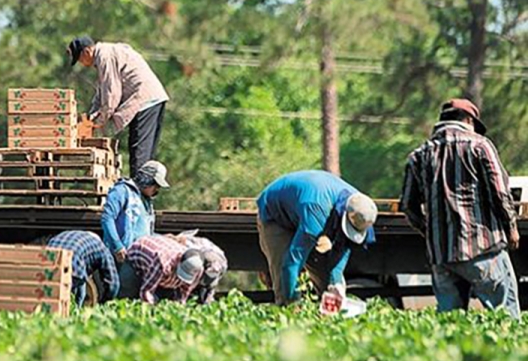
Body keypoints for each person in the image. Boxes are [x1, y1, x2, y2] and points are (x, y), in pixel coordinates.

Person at [400, 99, 521, 319]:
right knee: (506, 318)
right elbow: (500, 192)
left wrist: (430, 232)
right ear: (468, 120)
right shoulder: (480, 145)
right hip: (484, 249)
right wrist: (511, 227)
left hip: (441, 256)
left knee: (450, 325)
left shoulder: (418, 155)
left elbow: (408, 206)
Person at [256, 170, 378, 305]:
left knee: (326, 278)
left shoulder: (361, 210)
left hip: (304, 207)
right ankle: (288, 312)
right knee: (282, 272)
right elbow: (293, 261)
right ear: (343, 216)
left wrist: (335, 285)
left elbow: (341, 252)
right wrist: (292, 300)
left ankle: (327, 315)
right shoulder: (317, 211)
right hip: (275, 213)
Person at [67, 36, 170, 177]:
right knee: (146, 159)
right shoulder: (107, 53)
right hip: (154, 98)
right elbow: (101, 93)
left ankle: (137, 196)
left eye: (80, 60)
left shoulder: (104, 57)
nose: (82, 64)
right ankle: (144, 195)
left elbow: (111, 96)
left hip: (145, 100)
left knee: (139, 157)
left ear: (86, 52)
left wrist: (97, 124)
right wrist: (90, 117)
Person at [101, 160, 168, 280]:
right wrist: (117, 246)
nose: (157, 190)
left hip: (139, 257)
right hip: (122, 256)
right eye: (156, 185)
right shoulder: (122, 191)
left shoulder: (146, 201)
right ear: (147, 179)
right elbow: (107, 218)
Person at [122, 235, 204, 304]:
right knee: (129, 292)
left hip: (159, 270)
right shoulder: (163, 262)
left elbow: (184, 293)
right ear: (179, 260)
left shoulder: (197, 268)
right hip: (136, 258)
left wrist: (179, 307)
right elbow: (146, 291)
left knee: (164, 296)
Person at [47, 230, 119, 307]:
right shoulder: (101, 248)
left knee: (50, 295)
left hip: (49, 261)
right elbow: (113, 284)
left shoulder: (71, 235)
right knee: (70, 299)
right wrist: (103, 304)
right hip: (72, 263)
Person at [169, 231, 228, 304]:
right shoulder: (190, 254)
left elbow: (211, 286)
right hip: (193, 255)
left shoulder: (220, 266)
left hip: (211, 260)